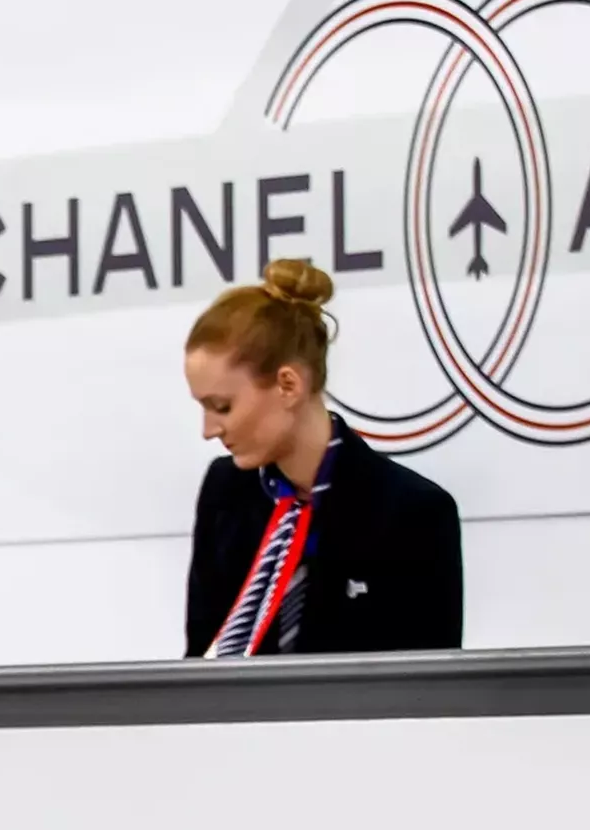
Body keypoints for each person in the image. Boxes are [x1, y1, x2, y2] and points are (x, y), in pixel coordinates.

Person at [182, 259, 463, 656]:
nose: (208, 430)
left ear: (288, 386)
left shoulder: (414, 513)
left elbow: (426, 697)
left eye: (222, 407)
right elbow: (199, 657)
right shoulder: (225, 491)